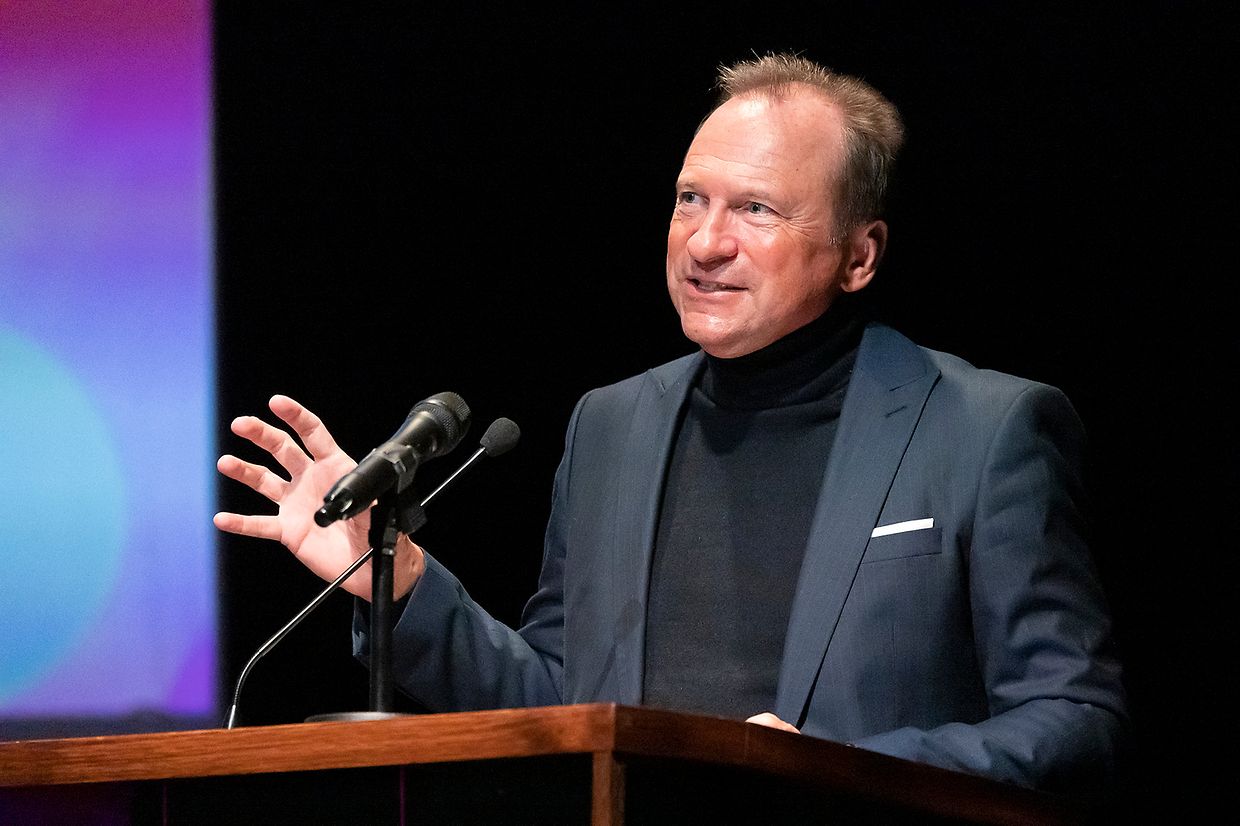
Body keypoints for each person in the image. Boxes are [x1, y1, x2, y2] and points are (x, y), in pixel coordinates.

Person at [216, 53, 1126, 791]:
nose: (705, 241)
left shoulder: (985, 430)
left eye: (756, 210)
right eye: (691, 198)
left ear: (860, 255)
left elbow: (1074, 720)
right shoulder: (612, 426)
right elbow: (563, 706)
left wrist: (839, 769)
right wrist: (400, 583)